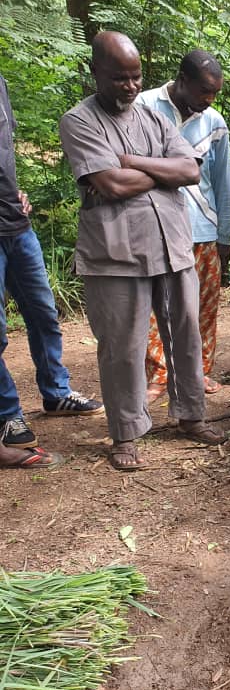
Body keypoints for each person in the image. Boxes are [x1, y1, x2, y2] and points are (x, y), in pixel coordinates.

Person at [59, 31, 224, 470]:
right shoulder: (79, 121)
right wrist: (160, 172)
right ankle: (126, 434)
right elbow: (110, 184)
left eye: (136, 77)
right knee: (123, 345)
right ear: (96, 72)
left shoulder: (153, 118)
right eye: (120, 78)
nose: (130, 86)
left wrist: (132, 162)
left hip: (171, 244)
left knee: (186, 333)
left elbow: (189, 170)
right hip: (116, 253)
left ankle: (191, 415)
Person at [0, 74, 103, 469]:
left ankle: (56, 392)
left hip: (16, 224)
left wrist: (13, 192)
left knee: (43, 313)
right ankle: (8, 415)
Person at [137, 50, 230, 402]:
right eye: (204, 91)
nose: (209, 100)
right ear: (182, 80)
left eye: (215, 94)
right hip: (157, 227)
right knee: (156, 308)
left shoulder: (215, 122)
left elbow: (223, 182)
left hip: (202, 229)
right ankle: (160, 374)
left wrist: (225, 235)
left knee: (203, 307)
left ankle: (199, 371)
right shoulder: (143, 107)